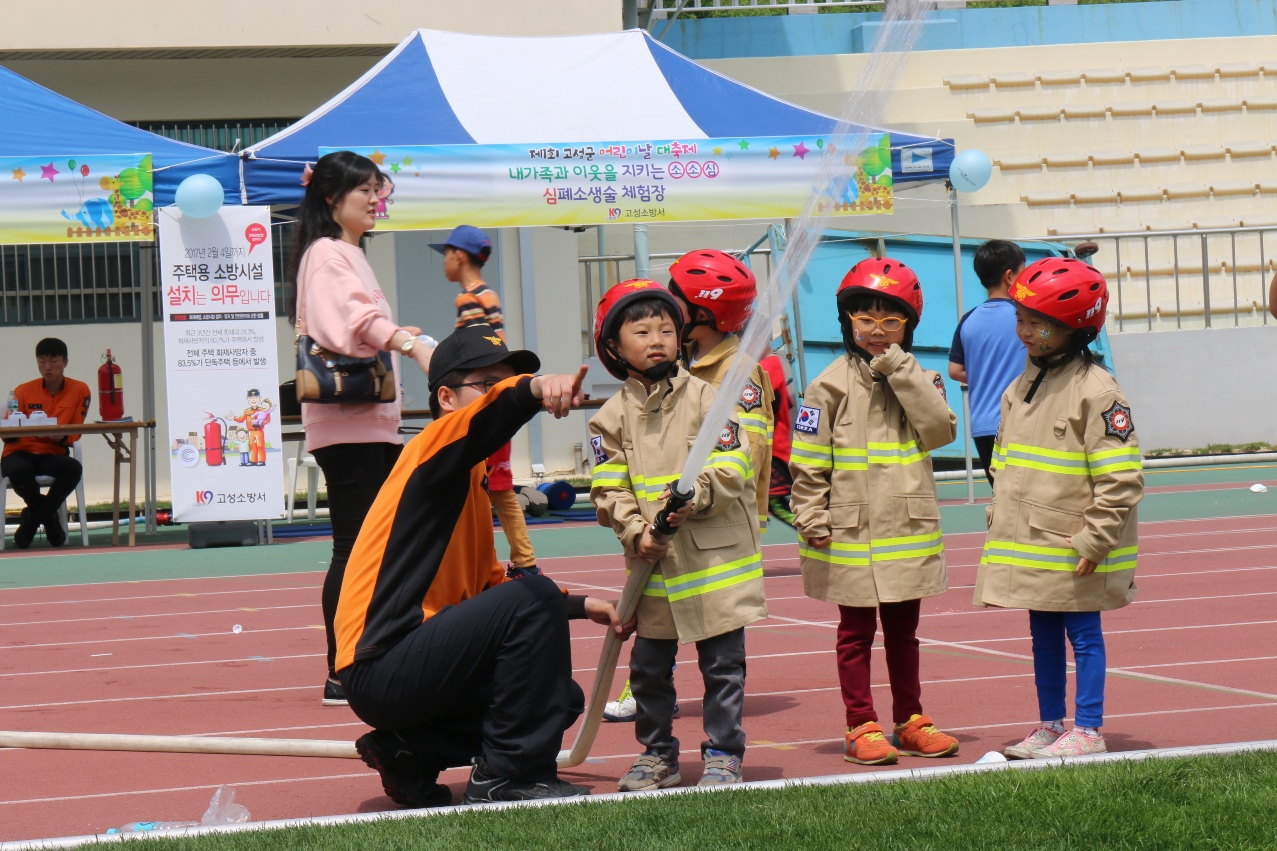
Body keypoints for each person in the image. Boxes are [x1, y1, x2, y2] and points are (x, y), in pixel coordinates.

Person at [338, 323, 628, 806]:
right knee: (532, 599)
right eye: (487, 383)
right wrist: (532, 388)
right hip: (382, 665)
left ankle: (410, 751)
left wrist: (578, 605)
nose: (498, 391)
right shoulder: (432, 446)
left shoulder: (469, 471)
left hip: (406, 669)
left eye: (504, 381)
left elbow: (490, 581)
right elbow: (493, 414)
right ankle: (507, 776)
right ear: (446, 398)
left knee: (557, 698)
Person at [589, 279, 767, 789]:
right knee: (648, 669)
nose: (657, 340)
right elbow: (608, 490)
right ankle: (658, 755)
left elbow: (734, 466)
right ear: (613, 347)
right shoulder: (608, 420)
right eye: (642, 331)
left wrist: (699, 494)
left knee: (723, 667)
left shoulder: (712, 399)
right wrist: (635, 532)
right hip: (655, 570)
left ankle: (724, 753)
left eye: (666, 329)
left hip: (715, 567)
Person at [789, 257, 961, 766]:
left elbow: (940, 431)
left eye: (891, 320)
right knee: (855, 636)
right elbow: (808, 460)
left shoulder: (924, 378)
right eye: (865, 319)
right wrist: (810, 515)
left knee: (904, 635)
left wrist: (900, 371)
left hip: (907, 531)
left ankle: (910, 720)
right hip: (851, 532)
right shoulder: (827, 386)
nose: (877, 331)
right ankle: (860, 725)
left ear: (909, 325)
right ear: (847, 321)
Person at [975, 258, 1143, 760]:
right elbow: (1005, 461)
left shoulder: (1098, 390)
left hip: (1074, 544)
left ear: (1074, 328)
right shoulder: (1024, 382)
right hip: (1034, 541)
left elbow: (1121, 478)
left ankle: (1088, 728)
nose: (1024, 331)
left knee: (1084, 635)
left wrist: (1095, 539)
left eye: (1037, 323)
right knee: (1042, 635)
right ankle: (1050, 724)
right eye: (1020, 319)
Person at [290, 150, 433, 707]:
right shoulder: (328, 253)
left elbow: (360, 325)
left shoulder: (345, 252)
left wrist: (397, 335)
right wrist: (408, 342)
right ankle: (341, 668)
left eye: (379, 190)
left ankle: (364, 655)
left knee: (374, 543)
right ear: (332, 198)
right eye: (365, 191)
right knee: (355, 546)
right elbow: (352, 322)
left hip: (366, 421)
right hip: (347, 424)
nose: (376, 200)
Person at [431, 225, 537, 578]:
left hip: (483, 404)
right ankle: (523, 562)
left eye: (446, 254)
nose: (444, 262)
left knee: (484, 487)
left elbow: (474, 356)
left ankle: (511, 562)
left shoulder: (467, 299)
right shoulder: (489, 295)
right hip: (498, 399)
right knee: (499, 487)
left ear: (459, 256)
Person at [948, 239, 1026, 486]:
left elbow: (955, 370)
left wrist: (984, 375)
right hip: (1019, 421)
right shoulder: (1025, 317)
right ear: (1010, 276)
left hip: (982, 425)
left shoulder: (968, 320)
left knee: (1000, 495)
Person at [2, 338, 91, 549]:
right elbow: (9, 431)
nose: (47, 367)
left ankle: (32, 520)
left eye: (53, 361)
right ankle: (49, 518)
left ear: (65, 362)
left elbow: (76, 430)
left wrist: (62, 437)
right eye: (42, 361)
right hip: (20, 451)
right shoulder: (22, 391)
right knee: (18, 470)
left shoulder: (80, 390)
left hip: (53, 452)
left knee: (73, 468)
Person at [760, 353, 796, 526]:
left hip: (772, 452)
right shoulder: (771, 365)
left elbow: (768, 407)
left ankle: (817, 531)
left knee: (776, 505)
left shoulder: (767, 366)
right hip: (772, 450)